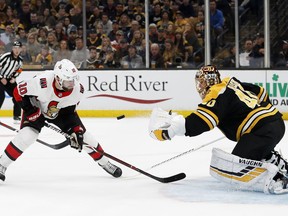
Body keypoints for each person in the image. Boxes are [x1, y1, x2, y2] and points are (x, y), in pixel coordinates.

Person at [149, 65, 288, 194]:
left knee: (235, 168)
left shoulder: (216, 92)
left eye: (201, 82)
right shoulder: (230, 82)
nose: (200, 86)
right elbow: (261, 92)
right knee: (248, 154)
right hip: (274, 124)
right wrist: (265, 113)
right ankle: (274, 161)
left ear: (209, 81)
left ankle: (279, 180)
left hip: (262, 130)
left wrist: (173, 130)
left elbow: (203, 121)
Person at [0, 59, 122, 182]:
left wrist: (75, 130)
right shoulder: (42, 82)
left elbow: (69, 113)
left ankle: (105, 163)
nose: (72, 84)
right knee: (28, 136)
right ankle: (2, 164)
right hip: (35, 107)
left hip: (60, 113)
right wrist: (31, 111)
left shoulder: (77, 90)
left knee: (85, 138)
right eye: (68, 81)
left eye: (73, 80)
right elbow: (17, 92)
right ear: (58, 78)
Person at [0, 41, 23, 124]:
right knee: (0, 96)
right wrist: (1, 77)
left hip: (9, 79)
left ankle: (16, 116)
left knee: (17, 95)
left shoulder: (20, 60)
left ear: (21, 49)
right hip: (0, 78)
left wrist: (14, 77)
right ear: (12, 49)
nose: (16, 50)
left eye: (18, 48)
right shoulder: (6, 56)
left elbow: (19, 69)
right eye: (15, 48)